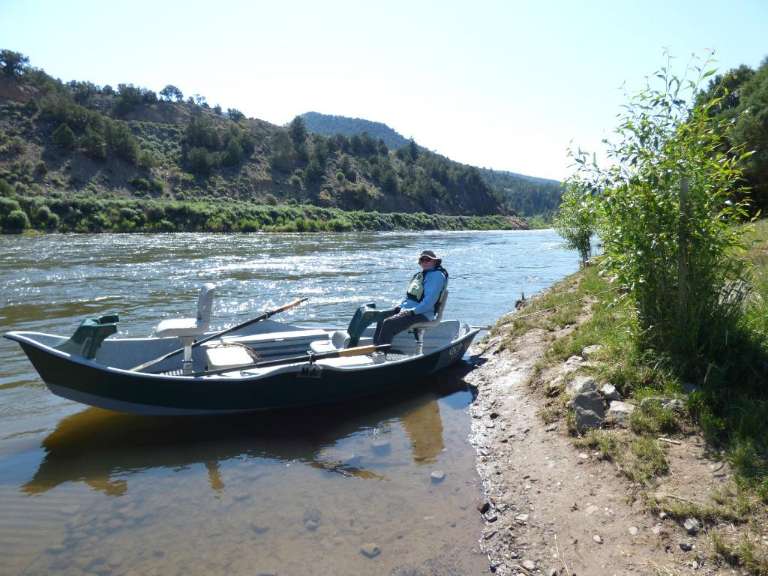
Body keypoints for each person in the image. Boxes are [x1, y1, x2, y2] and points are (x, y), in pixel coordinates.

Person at [372, 250, 448, 346]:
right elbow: (410, 296)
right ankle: (377, 347)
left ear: (435, 261)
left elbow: (429, 302)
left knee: (389, 323)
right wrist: (400, 307)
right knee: (382, 317)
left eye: (428, 259)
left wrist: (412, 311)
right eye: (422, 260)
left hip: (422, 314)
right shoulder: (421, 275)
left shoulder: (436, 276)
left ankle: (381, 352)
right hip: (408, 310)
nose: (424, 262)